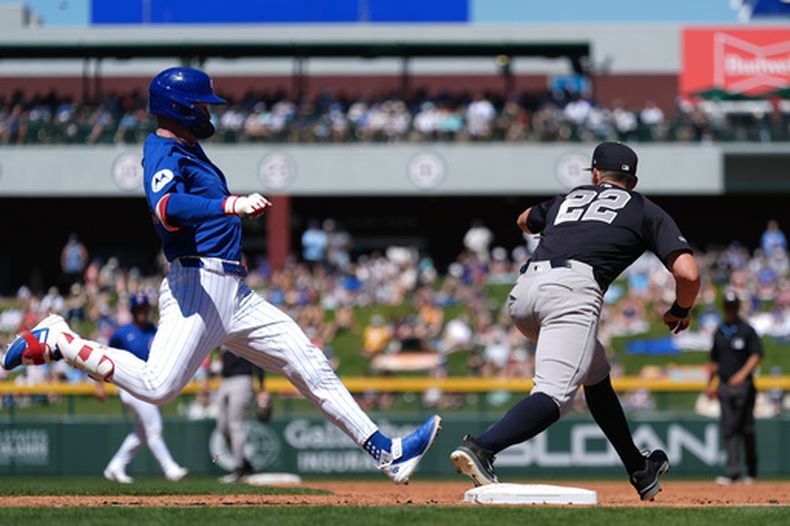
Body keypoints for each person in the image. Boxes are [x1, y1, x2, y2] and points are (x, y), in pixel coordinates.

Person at [2, 66, 440, 485]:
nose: (209, 112)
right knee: (157, 386)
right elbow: (166, 207)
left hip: (234, 291)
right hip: (198, 286)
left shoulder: (190, 148)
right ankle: (61, 341)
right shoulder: (163, 150)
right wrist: (230, 204)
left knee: (309, 363)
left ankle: (387, 451)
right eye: (202, 105)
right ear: (180, 107)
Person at [450, 142, 700, 501]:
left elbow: (523, 219)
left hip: (524, 294)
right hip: (570, 292)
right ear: (633, 181)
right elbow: (688, 273)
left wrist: (565, 224)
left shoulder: (570, 197)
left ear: (595, 174)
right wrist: (681, 309)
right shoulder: (644, 208)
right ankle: (482, 447)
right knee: (555, 396)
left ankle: (639, 468)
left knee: (595, 371)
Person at [100, 293, 188, 483]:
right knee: (154, 426)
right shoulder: (121, 333)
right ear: (132, 311)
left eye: (144, 308)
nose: (142, 312)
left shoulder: (154, 330)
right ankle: (170, 468)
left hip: (149, 383)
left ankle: (116, 466)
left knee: (141, 432)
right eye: (138, 309)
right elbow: (104, 357)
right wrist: (99, 384)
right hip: (129, 385)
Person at [705, 291, 763, 485]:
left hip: (744, 386)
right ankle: (732, 472)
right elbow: (714, 361)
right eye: (728, 306)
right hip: (724, 385)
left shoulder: (747, 330)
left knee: (746, 428)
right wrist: (709, 384)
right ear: (724, 308)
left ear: (738, 308)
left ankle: (752, 470)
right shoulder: (720, 331)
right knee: (729, 428)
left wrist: (741, 375)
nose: (730, 310)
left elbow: (756, 355)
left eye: (733, 306)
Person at [216, 347, 266, 483]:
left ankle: (239, 469)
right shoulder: (222, 338)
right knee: (223, 428)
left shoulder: (246, 337)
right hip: (225, 381)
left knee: (236, 425)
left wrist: (261, 387)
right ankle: (245, 464)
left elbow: (259, 359)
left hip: (242, 379)